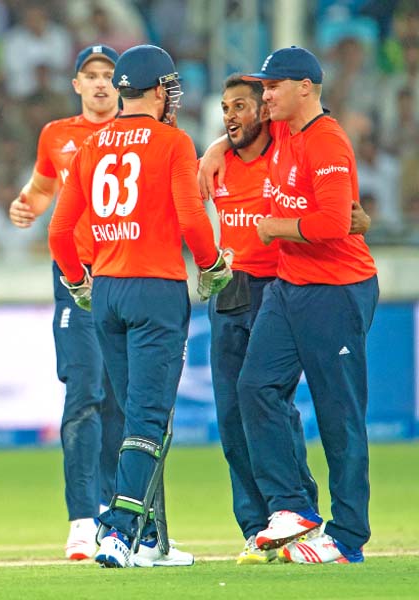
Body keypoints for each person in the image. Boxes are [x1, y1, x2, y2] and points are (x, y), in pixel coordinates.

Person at [48, 44, 232, 568]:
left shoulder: (93, 144)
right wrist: (213, 264)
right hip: (155, 289)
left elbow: (60, 232)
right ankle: (120, 531)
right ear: (157, 90)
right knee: (149, 418)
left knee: (131, 414)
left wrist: (78, 281)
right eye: (169, 87)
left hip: (105, 290)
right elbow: (194, 221)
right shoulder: (172, 142)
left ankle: (153, 540)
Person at [198, 46, 379, 564]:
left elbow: (333, 223)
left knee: (339, 412)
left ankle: (347, 538)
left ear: (305, 87)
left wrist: (273, 227)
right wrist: (215, 148)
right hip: (289, 286)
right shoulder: (281, 131)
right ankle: (294, 509)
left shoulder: (325, 141)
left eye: (272, 87)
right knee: (255, 387)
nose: (265, 96)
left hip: (337, 288)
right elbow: (241, 132)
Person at [9, 45, 125, 561]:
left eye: (109, 76)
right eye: (91, 76)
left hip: (129, 275)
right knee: (83, 392)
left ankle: (120, 515)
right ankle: (83, 520)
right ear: (76, 84)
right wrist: (26, 205)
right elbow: (41, 187)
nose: (100, 84)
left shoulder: (141, 136)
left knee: (121, 401)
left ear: (122, 86)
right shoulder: (57, 135)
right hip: (76, 281)